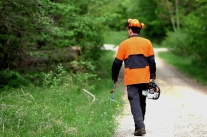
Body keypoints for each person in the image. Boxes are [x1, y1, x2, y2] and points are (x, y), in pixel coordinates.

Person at [111, 19, 156, 136]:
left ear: (130, 30)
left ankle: (140, 126)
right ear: (139, 30)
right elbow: (152, 61)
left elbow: (117, 63)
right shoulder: (147, 43)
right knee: (142, 101)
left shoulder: (124, 44)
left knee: (134, 101)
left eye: (128, 29)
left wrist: (114, 77)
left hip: (131, 78)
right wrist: (153, 76)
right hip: (145, 78)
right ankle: (139, 126)